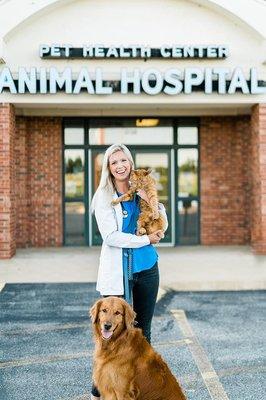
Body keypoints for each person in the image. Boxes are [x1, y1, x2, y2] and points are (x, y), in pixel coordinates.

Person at [90, 143, 168, 400]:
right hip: (118, 273)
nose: (120, 165)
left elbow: (162, 221)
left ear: (131, 163)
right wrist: (146, 240)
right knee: (110, 333)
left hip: (147, 268)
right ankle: (98, 390)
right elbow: (111, 237)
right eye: (114, 162)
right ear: (109, 169)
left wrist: (151, 204)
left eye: (124, 160)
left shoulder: (143, 189)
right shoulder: (103, 196)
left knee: (142, 330)